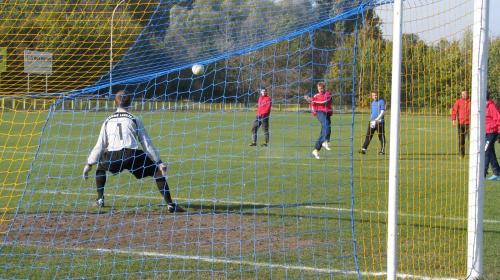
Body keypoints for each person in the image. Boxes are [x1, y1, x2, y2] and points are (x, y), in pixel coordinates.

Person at [83, 90, 184, 213]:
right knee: (157, 173)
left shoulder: (107, 121)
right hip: (133, 155)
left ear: (115, 103)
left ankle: (100, 200)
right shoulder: (135, 119)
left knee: (100, 167)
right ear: (130, 103)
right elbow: (146, 144)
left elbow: (100, 145)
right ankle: (171, 205)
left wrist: (89, 163)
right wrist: (159, 161)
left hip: (113, 155)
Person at [304, 82, 333, 159]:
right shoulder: (316, 96)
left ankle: (316, 150)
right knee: (326, 125)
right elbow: (312, 104)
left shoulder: (328, 94)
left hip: (327, 113)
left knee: (326, 129)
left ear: (324, 88)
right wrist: (314, 111)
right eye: (319, 89)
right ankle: (325, 141)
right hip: (319, 112)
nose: (320, 90)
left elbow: (323, 101)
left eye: (322, 89)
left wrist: (312, 99)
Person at [359, 91, 386, 155]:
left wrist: (376, 120)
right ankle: (363, 149)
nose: (375, 96)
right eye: (373, 95)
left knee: (381, 136)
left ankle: (382, 150)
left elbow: (382, 112)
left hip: (379, 122)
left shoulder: (382, 101)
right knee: (368, 135)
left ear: (378, 95)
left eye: (376, 95)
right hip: (372, 122)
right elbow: (372, 113)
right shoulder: (372, 103)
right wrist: (371, 120)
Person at [451, 89, 471, 158]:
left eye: (465, 94)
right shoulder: (459, 101)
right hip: (461, 123)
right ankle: (461, 154)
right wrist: (453, 119)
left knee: (471, 139)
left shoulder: (471, 102)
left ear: (468, 94)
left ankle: (473, 153)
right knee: (461, 139)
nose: (463, 95)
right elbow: (454, 110)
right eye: (462, 94)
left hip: (470, 124)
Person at [485, 92, 500, 180]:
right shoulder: (482, 106)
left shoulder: (492, 106)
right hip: (485, 132)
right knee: (490, 152)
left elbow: (498, 118)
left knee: (486, 151)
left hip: (491, 132)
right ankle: (496, 172)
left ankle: (483, 173)